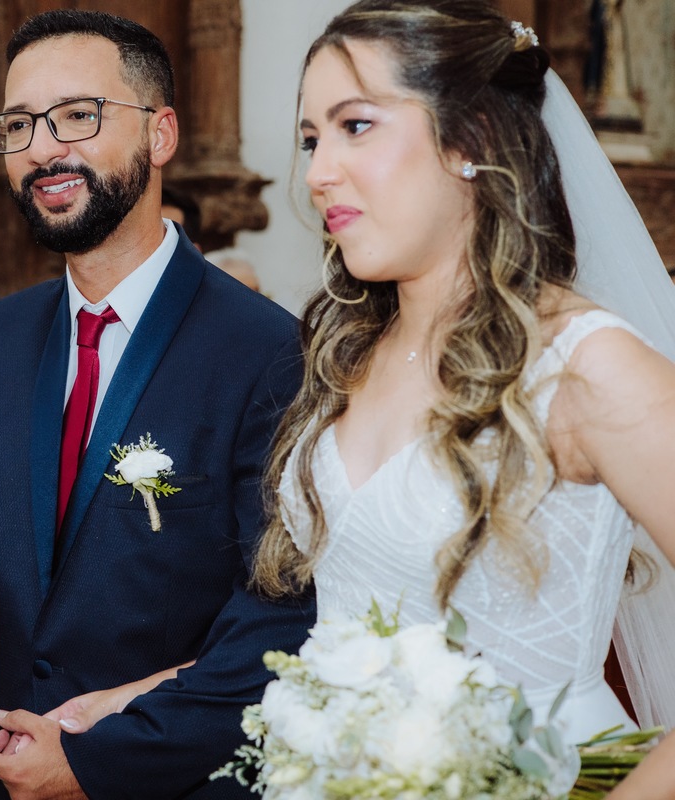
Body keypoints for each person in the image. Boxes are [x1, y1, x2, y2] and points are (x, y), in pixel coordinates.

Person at [253, 0, 675, 768]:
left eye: (355, 126)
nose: (317, 174)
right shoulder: (352, 350)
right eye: (311, 140)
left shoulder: (584, 365)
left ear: (470, 140)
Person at [0, 9, 314, 800]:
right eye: (19, 124)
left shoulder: (267, 350)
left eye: (77, 115)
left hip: (176, 779)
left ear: (160, 134)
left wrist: (99, 761)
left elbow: (279, 615)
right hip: (12, 770)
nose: (42, 148)